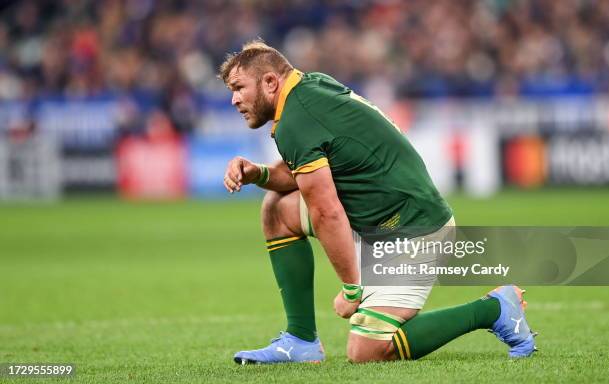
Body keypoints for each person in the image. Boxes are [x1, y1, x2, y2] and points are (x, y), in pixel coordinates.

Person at [220, 40, 537, 364]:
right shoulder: (308, 89)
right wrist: (258, 173)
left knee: (367, 350)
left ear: (270, 82)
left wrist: (351, 290)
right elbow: (303, 174)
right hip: (376, 220)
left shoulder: (297, 118)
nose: (233, 99)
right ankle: (300, 341)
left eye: (238, 88)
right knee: (276, 209)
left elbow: (327, 211)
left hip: (413, 231)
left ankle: (494, 309)